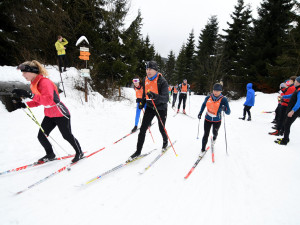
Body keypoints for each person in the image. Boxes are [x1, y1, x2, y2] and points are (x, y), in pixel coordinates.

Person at [12, 60, 83, 163]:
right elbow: (39, 101)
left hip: (60, 113)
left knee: (66, 135)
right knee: (41, 136)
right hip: (49, 114)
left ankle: (79, 152)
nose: (23, 75)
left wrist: (29, 95)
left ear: (32, 71)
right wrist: (24, 104)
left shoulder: (44, 82)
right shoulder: (34, 84)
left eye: (24, 72)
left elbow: (49, 100)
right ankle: (50, 154)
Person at [128, 61, 169, 160]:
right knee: (142, 129)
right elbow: (144, 94)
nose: (148, 71)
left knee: (161, 128)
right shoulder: (145, 79)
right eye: (147, 69)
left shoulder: (162, 81)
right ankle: (138, 151)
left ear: (155, 70)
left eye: (150, 69)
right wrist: (142, 102)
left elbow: (166, 98)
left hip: (161, 108)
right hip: (150, 108)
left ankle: (165, 141)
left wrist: (155, 96)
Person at [198, 83, 231, 152]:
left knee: (214, 133)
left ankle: (214, 138)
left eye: (218, 91)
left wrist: (224, 108)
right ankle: (203, 148)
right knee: (205, 134)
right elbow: (203, 105)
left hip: (217, 120)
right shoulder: (208, 98)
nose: (216, 92)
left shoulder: (224, 100)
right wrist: (200, 113)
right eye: (214, 90)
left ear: (221, 91)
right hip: (207, 119)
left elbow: (228, 112)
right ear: (212, 90)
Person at [276, 76, 300, 145]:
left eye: (295, 81)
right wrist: (283, 96)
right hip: (291, 110)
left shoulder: (299, 91)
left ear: (298, 83)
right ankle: (286, 138)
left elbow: (299, 103)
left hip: (293, 111)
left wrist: (292, 111)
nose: (294, 82)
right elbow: (291, 95)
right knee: (286, 124)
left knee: (287, 125)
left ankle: (285, 140)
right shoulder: (297, 89)